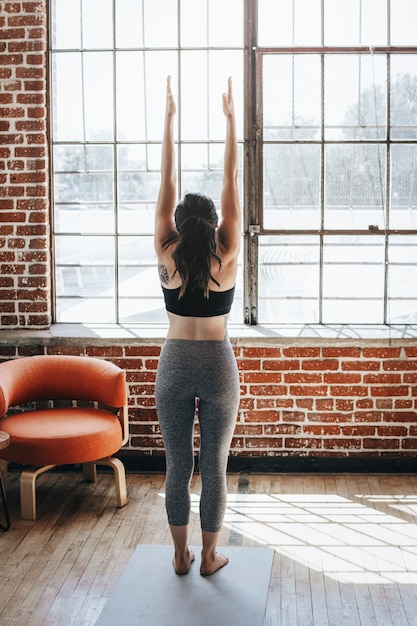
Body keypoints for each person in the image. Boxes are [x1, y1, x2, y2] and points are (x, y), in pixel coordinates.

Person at [154, 75, 241, 577]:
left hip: (174, 363)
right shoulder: (225, 256)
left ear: (179, 224)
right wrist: (230, 122)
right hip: (217, 365)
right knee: (214, 468)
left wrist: (168, 122)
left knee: (177, 468)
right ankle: (209, 557)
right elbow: (231, 184)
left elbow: (165, 185)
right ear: (212, 224)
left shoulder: (167, 253)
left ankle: (179, 555)